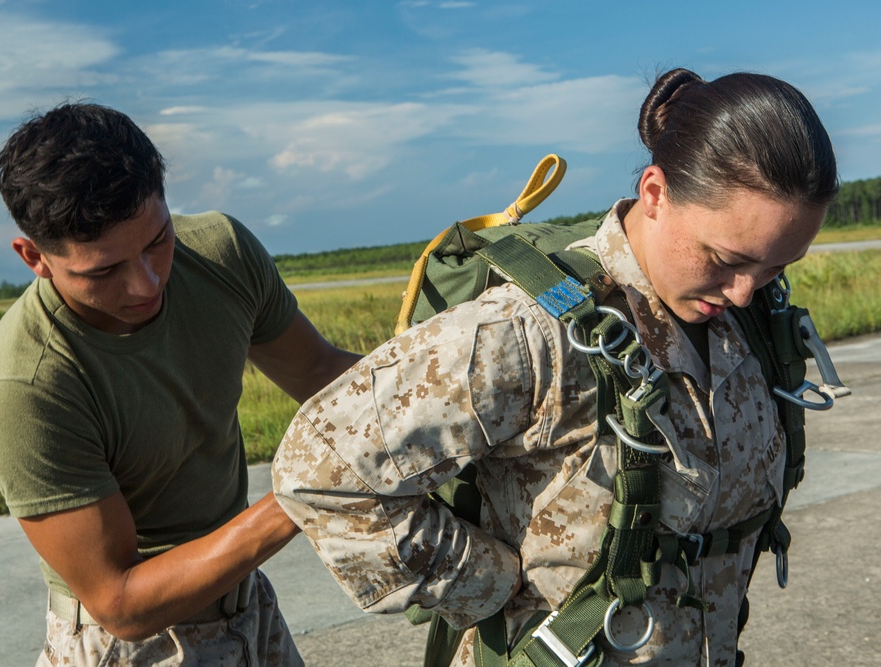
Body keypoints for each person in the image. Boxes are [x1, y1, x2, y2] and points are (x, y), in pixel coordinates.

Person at [271, 67, 839, 666]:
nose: (746, 291)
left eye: (778, 266)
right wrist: (494, 586)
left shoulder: (746, 323)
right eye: (726, 258)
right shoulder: (530, 333)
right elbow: (321, 465)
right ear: (654, 193)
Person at [0, 102, 360, 666]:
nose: (145, 283)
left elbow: (319, 373)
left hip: (250, 606)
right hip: (137, 647)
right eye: (102, 271)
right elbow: (121, 603)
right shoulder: (23, 390)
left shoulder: (221, 251)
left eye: (157, 241)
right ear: (35, 258)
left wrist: (443, 369)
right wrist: (305, 492)